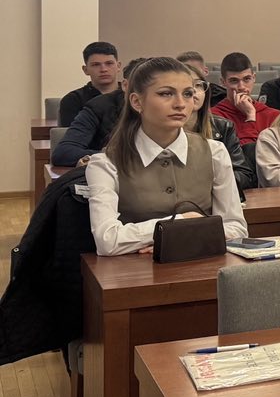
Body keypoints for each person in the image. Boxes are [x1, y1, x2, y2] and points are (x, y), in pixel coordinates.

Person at [83, 56, 248, 255]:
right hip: (136, 270)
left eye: (188, 94)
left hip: (205, 264)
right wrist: (181, 222)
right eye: (166, 94)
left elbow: (236, 228)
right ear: (136, 101)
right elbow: (107, 240)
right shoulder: (106, 163)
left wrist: (174, 239)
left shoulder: (215, 152)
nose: (180, 104)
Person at [53, 58, 142, 167]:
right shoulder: (98, 106)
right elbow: (63, 153)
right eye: (143, 87)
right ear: (125, 86)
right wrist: (113, 156)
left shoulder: (161, 111)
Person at [182, 64, 255, 194]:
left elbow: (244, 176)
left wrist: (212, 181)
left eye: (198, 85)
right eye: (186, 86)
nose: (193, 91)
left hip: (218, 197)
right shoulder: (161, 130)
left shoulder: (223, 127)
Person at [209, 52, 279, 145]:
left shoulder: (273, 116)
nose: (241, 87)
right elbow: (244, 153)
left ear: (254, 78)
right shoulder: (213, 117)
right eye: (234, 80)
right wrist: (250, 116)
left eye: (247, 79)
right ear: (223, 82)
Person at [59, 41, 122, 126]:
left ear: (118, 66)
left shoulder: (131, 95)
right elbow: (72, 133)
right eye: (96, 65)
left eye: (109, 63)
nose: (103, 69)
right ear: (85, 70)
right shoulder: (73, 100)